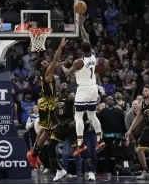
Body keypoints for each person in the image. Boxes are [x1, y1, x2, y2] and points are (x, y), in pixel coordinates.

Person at [61, 15, 105, 157]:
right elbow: (86, 37)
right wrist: (81, 24)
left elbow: (68, 75)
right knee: (92, 115)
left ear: (81, 49)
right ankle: (100, 139)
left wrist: (63, 66)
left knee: (78, 116)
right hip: (94, 88)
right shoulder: (92, 56)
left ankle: (80, 144)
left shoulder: (78, 62)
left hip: (84, 89)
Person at [27, 37, 68, 169]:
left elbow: (56, 63)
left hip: (46, 102)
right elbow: (55, 60)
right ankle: (34, 154)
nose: (47, 62)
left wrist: (63, 63)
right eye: (45, 62)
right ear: (43, 67)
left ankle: (33, 151)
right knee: (48, 132)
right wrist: (60, 47)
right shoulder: (47, 73)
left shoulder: (46, 72)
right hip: (48, 103)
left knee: (45, 129)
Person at [125, 85, 149, 180]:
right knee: (139, 150)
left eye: (145, 90)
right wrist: (129, 130)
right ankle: (145, 171)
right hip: (148, 129)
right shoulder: (141, 104)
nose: (143, 92)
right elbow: (137, 118)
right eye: (143, 90)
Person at [48, 83, 78, 181]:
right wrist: (54, 123)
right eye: (62, 84)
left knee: (79, 149)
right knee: (51, 147)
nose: (63, 85)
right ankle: (60, 170)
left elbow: (81, 107)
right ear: (58, 87)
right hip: (60, 127)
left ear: (68, 87)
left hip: (71, 126)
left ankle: (89, 171)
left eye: (65, 84)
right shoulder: (55, 98)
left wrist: (76, 120)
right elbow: (51, 112)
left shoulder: (71, 97)